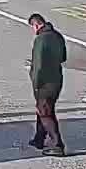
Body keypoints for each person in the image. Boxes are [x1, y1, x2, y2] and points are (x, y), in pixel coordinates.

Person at [25, 13, 67, 156]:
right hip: (57, 79)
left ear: (36, 25)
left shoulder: (40, 40)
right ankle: (39, 138)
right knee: (43, 109)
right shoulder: (57, 36)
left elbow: (38, 66)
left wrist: (35, 83)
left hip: (44, 82)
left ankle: (57, 144)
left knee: (45, 112)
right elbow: (63, 57)